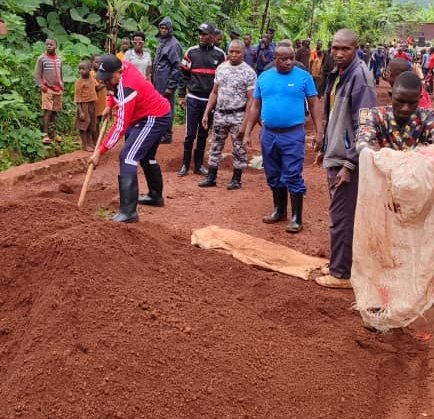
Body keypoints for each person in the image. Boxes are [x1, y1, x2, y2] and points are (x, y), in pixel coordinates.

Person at [315, 28, 377, 289]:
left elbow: (366, 125)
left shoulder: (360, 78)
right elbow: (336, 117)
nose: (339, 53)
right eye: (335, 48)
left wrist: (350, 164)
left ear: (356, 48)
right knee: (341, 213)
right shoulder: (339, 74)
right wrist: (324, 146)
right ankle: (341, 264)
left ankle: (340, 273)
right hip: (336, 154)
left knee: (341, 216)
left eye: (345, 49)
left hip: (347, 161)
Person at [243, 42, 323, 233]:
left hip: (293, 134)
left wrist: (320, 131)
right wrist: (247, 132)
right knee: (272, 172)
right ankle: (279, 210)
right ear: (275, 59)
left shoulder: (303, 77)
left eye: (291, 58)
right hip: (269, 134)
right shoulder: (264, 77)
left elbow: (313, 104)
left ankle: (297, 217)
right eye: (284, 59)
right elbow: (255, 106)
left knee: (293, 173)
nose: (289, 62)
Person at [89, 55, 171, 222]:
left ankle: (128, 212)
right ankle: (155, 197)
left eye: (108, 78)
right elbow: (112, 88)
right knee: (146, 156)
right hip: (149, 114)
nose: (105, 82)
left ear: (118, 73)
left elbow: (120, 126)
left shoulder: (127, 88)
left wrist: (100, 151)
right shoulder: (121, 66)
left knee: (128, 157)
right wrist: (110, 103)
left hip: (153, 117)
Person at [199, 39, 257, 189]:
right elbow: (214, 92)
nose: (234, 54)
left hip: (238, 114)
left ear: (243, 53)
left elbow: (251, 100)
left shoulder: (249, 72)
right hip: (220, 114)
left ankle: (236, 179)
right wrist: (206, 113)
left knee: (238, 147)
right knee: (215, 145)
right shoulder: (221, 68)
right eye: (231, 51)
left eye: (237, 52)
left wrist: (245, 123)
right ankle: (211, 177)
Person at [177, 23, 226, 177]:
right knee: (190, 133)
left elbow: (223, 79)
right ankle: (185, 165)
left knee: (204, 133)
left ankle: (198, 165)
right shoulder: (191, 52)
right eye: (200, 34)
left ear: (212, 36)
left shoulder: (220, 55)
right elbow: (184, 74)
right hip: (193, 98)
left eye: (204, 34)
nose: (201, 37)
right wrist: (181, 95)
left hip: (209, 100)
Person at [357, 71, 433, 153]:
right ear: (391, 95)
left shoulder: (428, 117)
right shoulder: (377, 115)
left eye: (412, 103)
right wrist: (367, 151)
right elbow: (363, 141)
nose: (405, 108)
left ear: (419, 98)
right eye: (400, 101)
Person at [152, 17, 183, 144]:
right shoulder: (162, 42)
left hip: (166, 83)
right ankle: (161, 133)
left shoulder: (174, 44)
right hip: (158, 81)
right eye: (161, 28)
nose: (163, 30)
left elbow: (177, 67)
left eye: (165, 28)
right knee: (159, 107)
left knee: (167, 107)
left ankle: (167, 134)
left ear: (170, 29)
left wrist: (171, 86)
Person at [34, 38, 64, 144]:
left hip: (58, 89)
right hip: (47, 89)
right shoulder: (41, 58)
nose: (49, 46)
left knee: (55, 112)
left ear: (56, 46)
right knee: (48, 111)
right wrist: (43, 87)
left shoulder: (59, 59)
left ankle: (54, 134)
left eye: (51, 44)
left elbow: (61, 73)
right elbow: (37, 75)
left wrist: (62, 85)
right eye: (47, 44)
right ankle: (45, 134)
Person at [74, 60, 97, 151]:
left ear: (89, 69)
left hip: (92, 104)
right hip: (83, 105)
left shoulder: (92, 78)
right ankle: (84, 144)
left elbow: (96, 87)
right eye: (80, 69)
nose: (81, 71)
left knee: (91, 124)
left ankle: (90, 143)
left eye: (83, 69)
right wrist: (81, 111)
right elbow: (77, 97)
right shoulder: (79, 82)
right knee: (84, 124)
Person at [90, 54, 108, 137]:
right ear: (91, 63)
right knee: (95, 122)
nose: (99, 64)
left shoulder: (101, 73)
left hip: (102, 102)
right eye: (96, 62)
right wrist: (105, 82)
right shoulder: (92, 74)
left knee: (100, 120)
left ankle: (98, 139)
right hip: (95, 102)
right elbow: (96, 88)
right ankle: (95, 140)